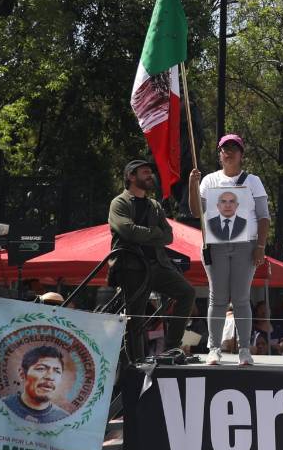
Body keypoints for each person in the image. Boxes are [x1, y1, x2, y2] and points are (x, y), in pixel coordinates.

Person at [189, 134, 270, 366]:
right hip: (215, 245)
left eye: (234, 148)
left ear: (241, 155)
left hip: (246, 245)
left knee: (242, 298)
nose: (229, 152)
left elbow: (264, 216)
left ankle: (245, 349)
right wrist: (192, 185)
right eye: (225, 149)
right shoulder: (209, 181)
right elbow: (197, 212)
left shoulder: (253, 181)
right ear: (219, 154)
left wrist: (261, 247)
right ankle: (214, 348)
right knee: (217, 297)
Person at [109, 159, 196, 359]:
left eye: (150, 172)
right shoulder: (119, 203)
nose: (150, 175)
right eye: (145, 172)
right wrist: (154, 232)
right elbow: (127, 231)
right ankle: (136, 362)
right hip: (131, 267)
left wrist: (149, 233)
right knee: (135, 318)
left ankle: (172, 348)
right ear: (131, 176)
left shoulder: (154, 205)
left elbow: (168, 236)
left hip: (157, 265)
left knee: (187, 293)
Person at [1, 345, 69, 424]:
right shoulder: (1, 406)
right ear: (22, 374)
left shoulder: (64, 419)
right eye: (41, 369)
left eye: (57, 371)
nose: (50, 377)